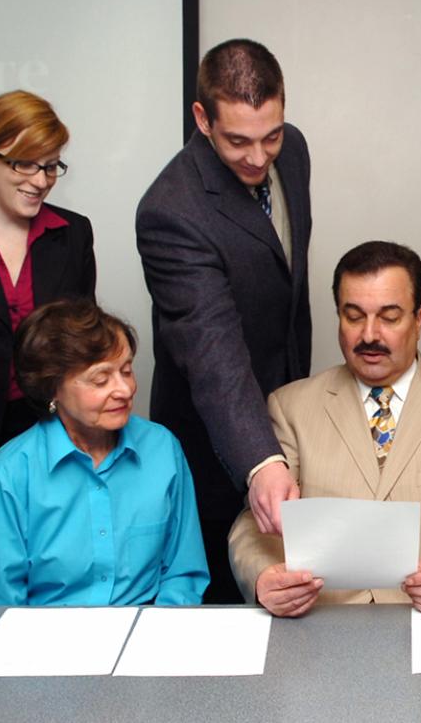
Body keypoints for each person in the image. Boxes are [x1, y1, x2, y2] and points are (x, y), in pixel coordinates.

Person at [228, 241, 421, 616]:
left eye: (389, 317)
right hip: (317, 623)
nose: (369, 335)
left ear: (419, 319)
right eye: (353, 316)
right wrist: (263, 577)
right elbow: (255, 526)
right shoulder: (290, 408)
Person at [136, 39, 311, 603]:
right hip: (218, 440)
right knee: (226, 605)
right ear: (202, 119)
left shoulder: (295, 151)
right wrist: (259, 459)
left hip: (288, 410)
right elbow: (213, 351)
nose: (259, 157)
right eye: (238, 140)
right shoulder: (171, 209)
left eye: (271, 136)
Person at [0, 90, 95, 605]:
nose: (40, 180)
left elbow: (81, 349)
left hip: (51, 444)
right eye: (25, 164)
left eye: (52, 166)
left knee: (52, 592)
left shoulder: (72, 235)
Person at [0, 299, 208, 606]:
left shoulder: (162, 449)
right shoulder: (7, 477)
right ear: (52, 388)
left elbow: (183, 574)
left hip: (148, 636)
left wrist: (153, 642)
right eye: (101, 379)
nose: (124, 390)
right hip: (45, 646)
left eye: (126, 370)